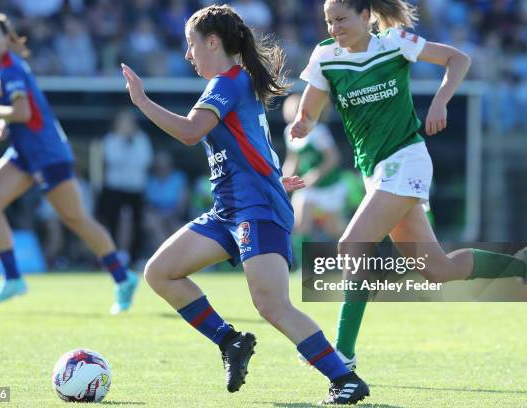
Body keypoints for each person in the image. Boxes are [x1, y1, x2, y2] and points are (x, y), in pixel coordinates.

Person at [290, 0, 527, 404]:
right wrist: (302, 122)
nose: (334, 27)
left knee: (351, 246)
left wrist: (441, 101)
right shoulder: (326, 56)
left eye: (342, 18)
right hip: (374, 171)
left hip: (407, 160)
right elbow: (309, 110)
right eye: (329, 21)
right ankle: (524, 264)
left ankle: (342, 359)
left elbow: (458, 59)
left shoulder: (395, 42)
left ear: (366, 16)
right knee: (437, 269)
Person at [122, 4, 360, 403]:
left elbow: (190, 132)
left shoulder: (227, 84)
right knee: (160, 272)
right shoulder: (234, 84)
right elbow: (256, 143)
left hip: (256, 208)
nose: (187, 55)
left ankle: (345, 379)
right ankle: (230, 340)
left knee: (272, 305)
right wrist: (271, 177)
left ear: (212, 42)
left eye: (191, 45)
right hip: (230, 208)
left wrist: (142, 101)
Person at [0, 12, 139, 314]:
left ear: (7, 39)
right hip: (24, 153)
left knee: (77, 220)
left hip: (47, 154)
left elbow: (23, 112)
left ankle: (123, 278)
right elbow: (21, 113)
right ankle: (12, 278)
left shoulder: (10, 70)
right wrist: (5, 124)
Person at [282, 93, 346, 251]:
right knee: (299, 224)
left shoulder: (318, 131)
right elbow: (293, 160)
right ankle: (304, 266)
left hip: (330, 185)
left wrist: (314, 176)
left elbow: (333, 158)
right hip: (308, 187)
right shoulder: (288, 132)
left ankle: (361, 254)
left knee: (336, 229)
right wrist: (282, 181)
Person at [99, 108, 153, 265]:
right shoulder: (110, 140)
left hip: (135, 190)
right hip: (115, 189)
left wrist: (130, 144)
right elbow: (112, 160)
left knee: (137, 224)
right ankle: (113, 258)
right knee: (112, 223)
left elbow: (144, 161)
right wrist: (124, 142)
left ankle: (134, 258)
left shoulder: (142, 139)